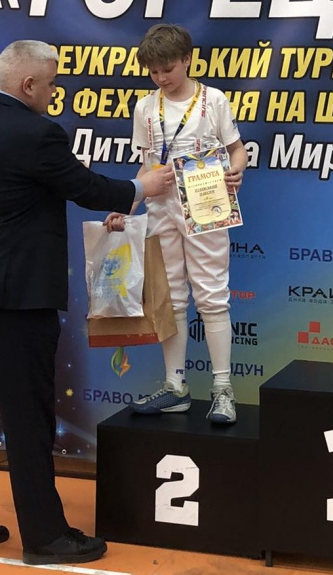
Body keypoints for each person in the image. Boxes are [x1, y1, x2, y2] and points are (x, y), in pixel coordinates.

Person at [0, 40, 173, 566]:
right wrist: (142, 186)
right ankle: (45, 537)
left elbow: (18, 187)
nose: (54, 91)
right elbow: (85, 188)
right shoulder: (38, 133)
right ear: (28, 85)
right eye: (51, 83)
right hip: (15, 298)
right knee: (28, 417)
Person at [104, 24, 247, 424]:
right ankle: (175, 386)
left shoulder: (213, 100)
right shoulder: (145, 108)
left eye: (167, 69)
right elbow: (147, 166)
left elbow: (237, 150)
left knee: (212, 296)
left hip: (206, 205)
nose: (161, 78)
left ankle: (222, 389)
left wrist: (236, 171)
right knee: (171, 299)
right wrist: (127, 206)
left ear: (187, 59)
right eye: (153, 72)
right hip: (161, 208)